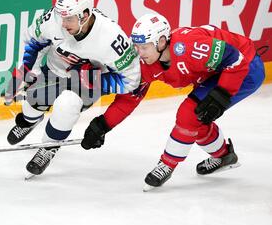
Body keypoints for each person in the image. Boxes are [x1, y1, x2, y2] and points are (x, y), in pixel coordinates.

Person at [80, 13, 265, 191]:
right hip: (216, 73)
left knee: (189, 114)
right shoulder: (146, 63)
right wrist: (103, 124)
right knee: (198, 119)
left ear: (161, 42)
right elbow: (130, 97)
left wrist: (223, 92)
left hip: (245, 68)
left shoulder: (190, 47)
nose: (138, 52)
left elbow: (235, 59)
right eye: (136, 46)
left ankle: (167, 165)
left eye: (143, 47)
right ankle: (225, 156)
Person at [4, 0, 141, 177]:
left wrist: (96, 81)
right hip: (53, 71)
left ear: (84, 15)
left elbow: (131, 80)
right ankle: (29, 121)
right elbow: (33, 42)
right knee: (32, 102)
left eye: (68, 19)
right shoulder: (54, 18)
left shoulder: (111, 37)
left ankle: (50, 146)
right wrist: (28, 72)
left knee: (66, 105)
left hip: (86, 85)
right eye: (61, 17)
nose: (62, 24)